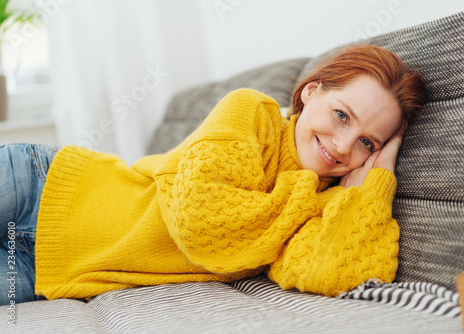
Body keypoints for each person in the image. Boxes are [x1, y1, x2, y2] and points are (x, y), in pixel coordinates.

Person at [0, 44, 426, 306]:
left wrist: (374, 185)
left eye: (369, 143)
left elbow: (331, 272)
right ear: (310, 92)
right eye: (341, 114)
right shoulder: (250, 113)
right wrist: (305, 197)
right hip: (43, 184)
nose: (343, 146)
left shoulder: (331, 203)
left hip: (44, 271)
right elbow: (202, 222)